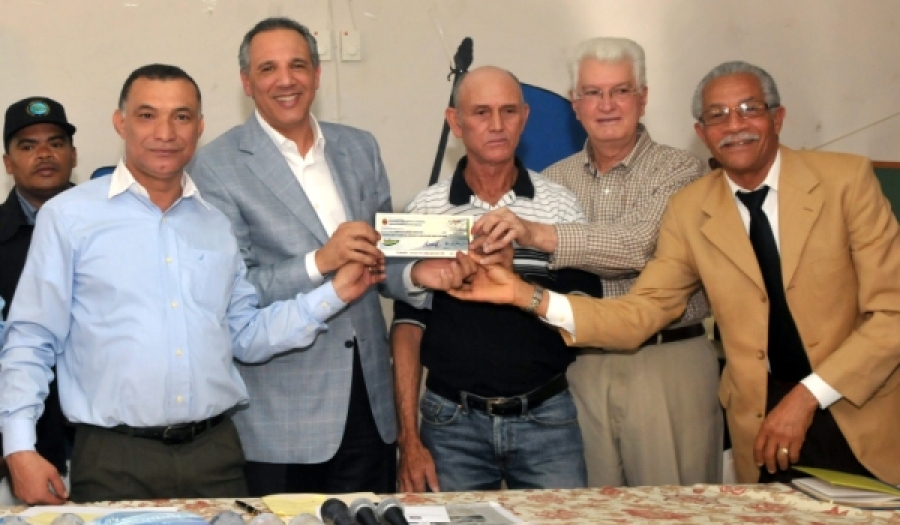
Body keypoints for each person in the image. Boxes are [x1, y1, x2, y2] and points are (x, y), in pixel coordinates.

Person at [451, 60, 900, 486]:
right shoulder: (692, 207)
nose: (734, 126)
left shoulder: (846, 180)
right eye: (717, 116)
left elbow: (892, 314)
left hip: (859, 415)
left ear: (777, 117)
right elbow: (643, 311)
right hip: (760, 424)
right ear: (701, 133)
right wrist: (524, 296)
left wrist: (807, 395)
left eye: (749, 109)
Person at [0, 63, 391, 505]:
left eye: (181, 116)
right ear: (120, 123)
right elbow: (30, 338)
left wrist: (335, 294)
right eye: (148, 115)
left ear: (199, 127)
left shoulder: (215, 222)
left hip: (216, 456)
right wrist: (19, 447)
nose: (165, 132)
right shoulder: (69, 217)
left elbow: (245, 335)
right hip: (114, 458)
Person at [188, 17, 473, 495]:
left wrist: (421, 274)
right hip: (282, 418)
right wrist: (319, 261)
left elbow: (385, 256)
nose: (286, 80)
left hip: (370, 405)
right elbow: (235, 290)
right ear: (246, 82)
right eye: (268, 68)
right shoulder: (215, 166)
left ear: (317, 74)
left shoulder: (359, 146)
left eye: (298, 65)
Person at [473, 38, 722, 487]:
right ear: (575, 104)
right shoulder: (552, 180)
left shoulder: (681, 171)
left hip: (666, 361)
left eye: (620, 91)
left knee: (675, 509)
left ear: (643, 98)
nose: (606, 105)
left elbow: (636, 246)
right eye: (592, 92)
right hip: (579, 364)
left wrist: (537, 234)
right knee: (586, 506)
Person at [392, 66, 595, 492]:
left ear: (525, 117)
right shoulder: (425, 209)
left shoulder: (560, 207)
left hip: (547, 419)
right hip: (450, 426)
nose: (497, 125)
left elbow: (585, 316)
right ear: (455, 122)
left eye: (508, 111)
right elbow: (408, 329)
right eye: (481, 112)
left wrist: (515, 274)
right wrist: (409, 439)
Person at [0, 97, 78, 485]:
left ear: (74, 155)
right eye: (28, 146)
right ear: (8, 162)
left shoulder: (112, 227)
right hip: (18, 446)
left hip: (107, 443)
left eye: (56, 143)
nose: (44, 154)